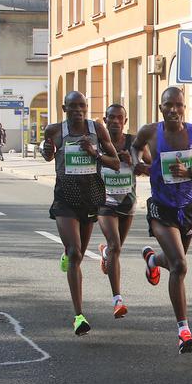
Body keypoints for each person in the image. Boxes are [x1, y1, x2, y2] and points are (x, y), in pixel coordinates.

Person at [132, 86, 192, 353]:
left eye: (178, 105)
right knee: (180, 265)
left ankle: (151, 259)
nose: (174, 110)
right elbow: (134, 148)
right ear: (161, 108)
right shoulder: (151, 131)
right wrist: (138, 162)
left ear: (184, 108)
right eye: (168, 105)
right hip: (161, 207)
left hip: (188, 208)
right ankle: (183, 330)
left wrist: (191, 171)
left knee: (173, 263)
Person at [41, 91, 120, 336]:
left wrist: (94, 152)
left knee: (80, 252)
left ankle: (68, 252)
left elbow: (115, 163)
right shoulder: (54, 130)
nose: (78, 110)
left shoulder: (97, 129)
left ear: (87, 107)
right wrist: (47, 151)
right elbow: (48, 155)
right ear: (64, 108)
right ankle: (79, 316)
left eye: (82, 106)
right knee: (76, 254)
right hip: (65, 198)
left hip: (90, 198)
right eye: (73, 106)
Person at [95, 104, 151, 319]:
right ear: (105, 119)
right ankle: (117, 299)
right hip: (104, 201)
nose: (115, 121)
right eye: (111, 117)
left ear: (125, 121)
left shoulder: (133, 142)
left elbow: (151, 167)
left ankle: (105, 254)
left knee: (115, 249)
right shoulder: (97, 141)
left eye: (120, 118)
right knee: (115, 246)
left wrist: (135, 163)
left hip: (127, 201)